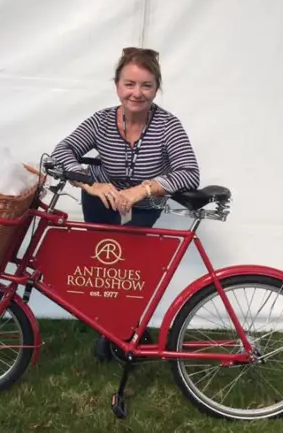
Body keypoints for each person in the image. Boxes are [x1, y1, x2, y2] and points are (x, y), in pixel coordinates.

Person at [50, 47, 200, 360]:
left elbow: (189, 172)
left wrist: (143, 190)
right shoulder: (102, 120)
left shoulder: (168, 126)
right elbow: (62, 152)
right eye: (129, 84)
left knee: (130, 269)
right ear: (117, 86)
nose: (137, 93)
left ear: (156, 88)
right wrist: (91, 184)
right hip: (101, 200)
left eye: (146, 85)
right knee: (103, 268)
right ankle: (109, 328)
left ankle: (128, 329)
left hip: (145, 206)